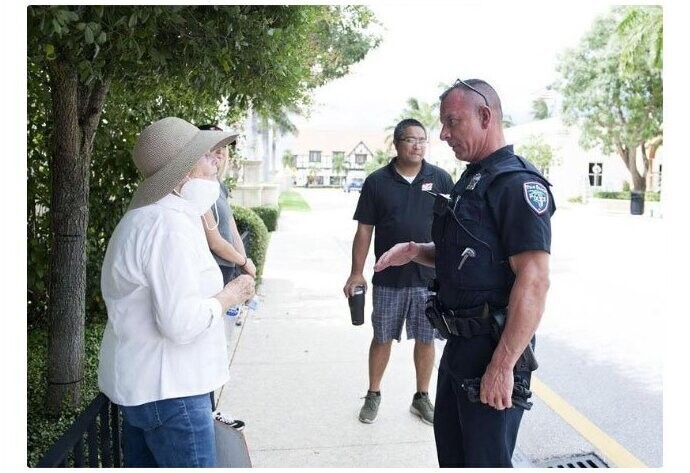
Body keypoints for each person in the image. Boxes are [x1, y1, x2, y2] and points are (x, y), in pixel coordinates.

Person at [374, 79, 555, 467]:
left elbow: (535, 280)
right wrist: (412, 251)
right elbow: (466, 258)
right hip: (459, 348)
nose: (443, 134)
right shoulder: (472, 179)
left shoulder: (516, 183)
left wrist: (503, 366)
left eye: (452, 122)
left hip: (492, 351)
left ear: (485, 116)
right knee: (454, 460)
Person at [98, 117, 256, 467]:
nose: (214, 162)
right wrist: (231, 294)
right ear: (184, 172)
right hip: (173, 393)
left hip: (152, 389)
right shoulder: (167, 226)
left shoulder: (153, 217)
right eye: (205, 157)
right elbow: (180, 323)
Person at [343, 118, 454, 425]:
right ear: (397, 143)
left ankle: (421, 398)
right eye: (410, 139)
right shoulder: (377, 181)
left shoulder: (441, 178)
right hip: (389, 278)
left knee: (426, 338)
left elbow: (454, 229)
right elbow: (364, 231)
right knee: (382, 337)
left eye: (422, 140)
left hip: (429, 280)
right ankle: (373, 394)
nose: (417, 145)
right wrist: (356, 272)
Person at [197, 124, 256, 284]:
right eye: (214, 145)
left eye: (223, 146)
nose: (220, 150)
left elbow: (232, 229)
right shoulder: (195, 188)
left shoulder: (218, 186)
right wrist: (243, 262)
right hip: (211, 269)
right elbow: (215, 243)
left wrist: (245, 266)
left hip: (228, 267)